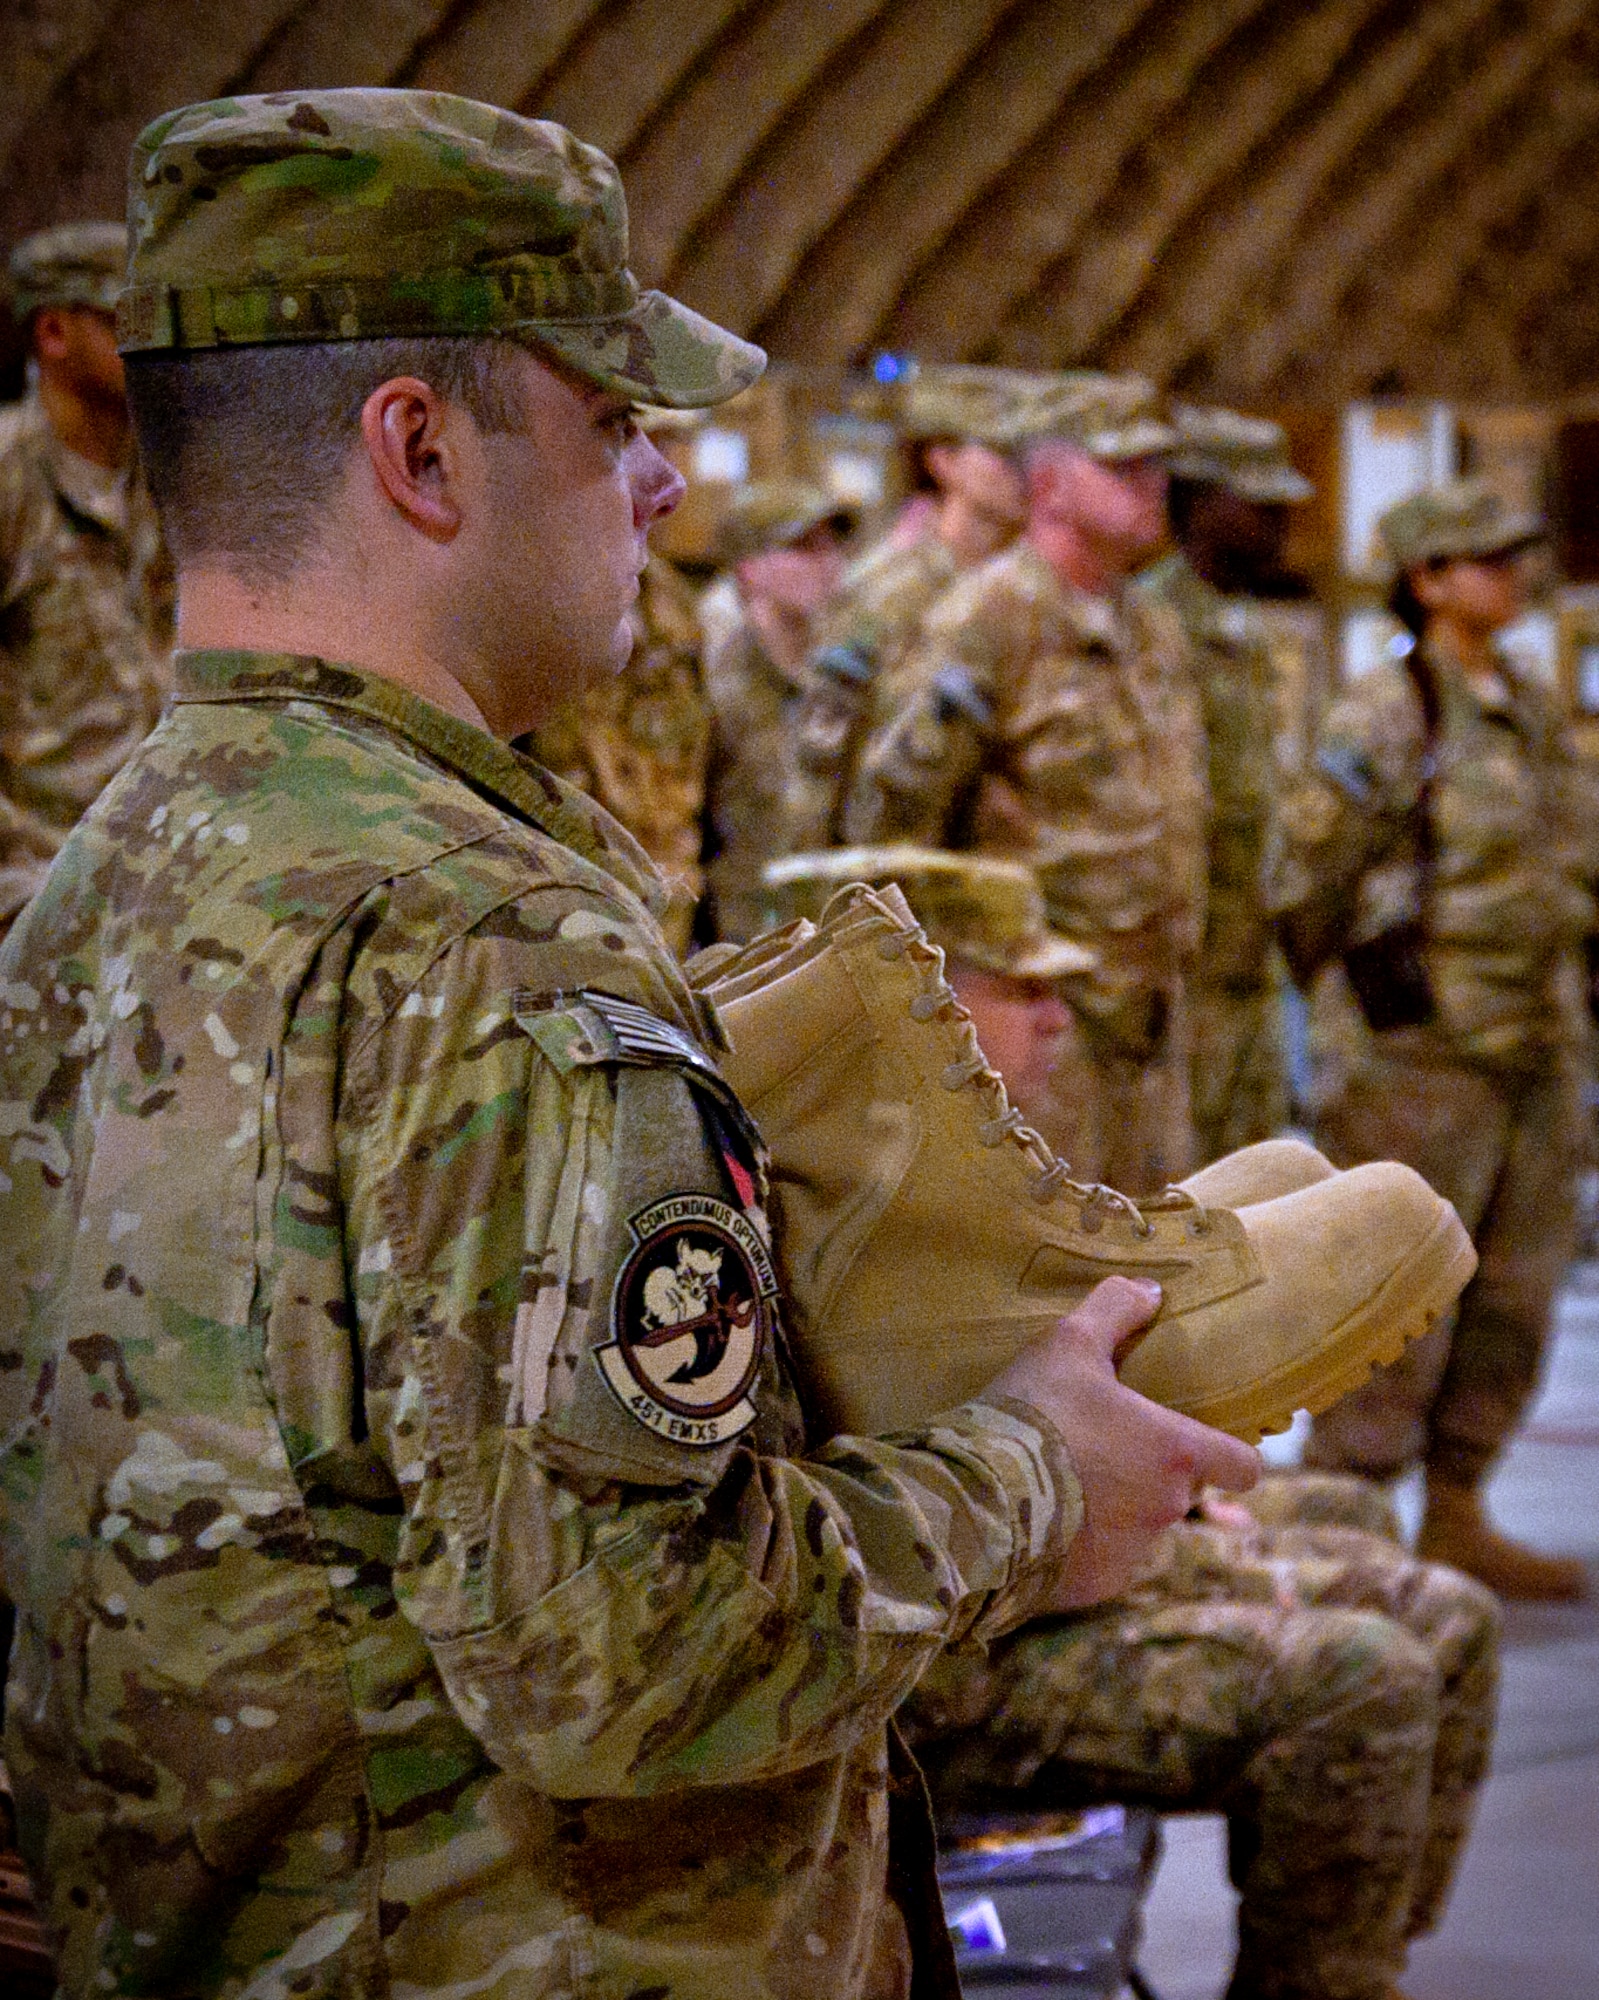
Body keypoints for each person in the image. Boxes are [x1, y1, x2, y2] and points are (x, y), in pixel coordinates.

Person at [0, 89, 1261, 2000]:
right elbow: (627, 1663)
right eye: (607, 423)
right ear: (416, 449)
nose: (664, 481)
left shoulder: (106, 876)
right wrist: (1030, 1476)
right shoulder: (491, 937)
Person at [764, 844, 1502, 2000]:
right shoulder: (822, 1181)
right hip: (950, 1645)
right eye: (1023, 987)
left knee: (1392, 1558)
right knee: (1376, 1665)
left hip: (975, 1551)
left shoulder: (942, 1158)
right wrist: (1066, 1481)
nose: (1062, 1016)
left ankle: (1349, 1971)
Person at [1275, 479, 1596, 1601]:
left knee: (1515, 1294)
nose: (1511, 575)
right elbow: (1304, 882)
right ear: (1429, 579)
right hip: (1422, 1061)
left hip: (1533, 1051)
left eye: (1515, 554)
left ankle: (1459, 1508)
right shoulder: (1385, 710)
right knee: (1397, 1301)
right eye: (1484, 557)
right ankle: (1343, 1529)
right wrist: (1362, 1006)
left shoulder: (1532, 704)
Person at [850, 373, 1206, 1192]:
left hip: (1149, 1019)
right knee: (1041, 1283)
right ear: (1047, 485)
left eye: (1156, 470)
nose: (1152, 488)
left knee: (1151, 1276)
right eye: (1122, 470)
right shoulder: (987, 619)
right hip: (1036, 1025)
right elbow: (894, 826)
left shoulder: (1150, 626)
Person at [1138, 406, 1313, 1162]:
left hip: (1245, 970)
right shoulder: (1149, 622)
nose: (1280, 522)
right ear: (1201, 503)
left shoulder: (1238, 628)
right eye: (1260, 503)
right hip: (1175, 982)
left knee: (1250, 1188)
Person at [0, 222, 172, 933]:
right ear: (55, 333)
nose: (148, 343)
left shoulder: (164, 472)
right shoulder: (11, 478)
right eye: (120, 320)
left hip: (165, 873)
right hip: (39, 893)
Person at [784, 366, 1034, 852]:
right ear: (943, 462)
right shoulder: (886, 588)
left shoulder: (1018, 592)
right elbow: (822, 757)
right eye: (1001, 453)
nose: (1019, 474)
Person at [526, 549, 709, 954]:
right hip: (569, 876)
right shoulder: (535, 584)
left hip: (668, 868)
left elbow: (696, 740)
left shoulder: (669, 599)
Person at [700, 477, 856, 939]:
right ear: (750, 568)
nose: (826, 562)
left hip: (829, 929)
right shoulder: (718, 682)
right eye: (802, 547)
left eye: (830, 545)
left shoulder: (844, 676)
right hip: (740, 939)